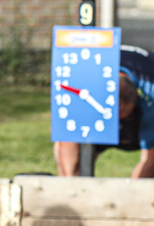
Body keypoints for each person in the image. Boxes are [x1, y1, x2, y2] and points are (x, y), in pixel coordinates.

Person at [54, 45, 154, 178]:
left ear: (136, 97)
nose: (118, 122)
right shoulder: (83, 78)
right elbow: (68, 136)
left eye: (122, 115)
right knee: (64, 151)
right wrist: (72, 186)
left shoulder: (149, 95)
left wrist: (129, 195)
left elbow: (150, 161)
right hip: (95, 110)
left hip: (142, 121)